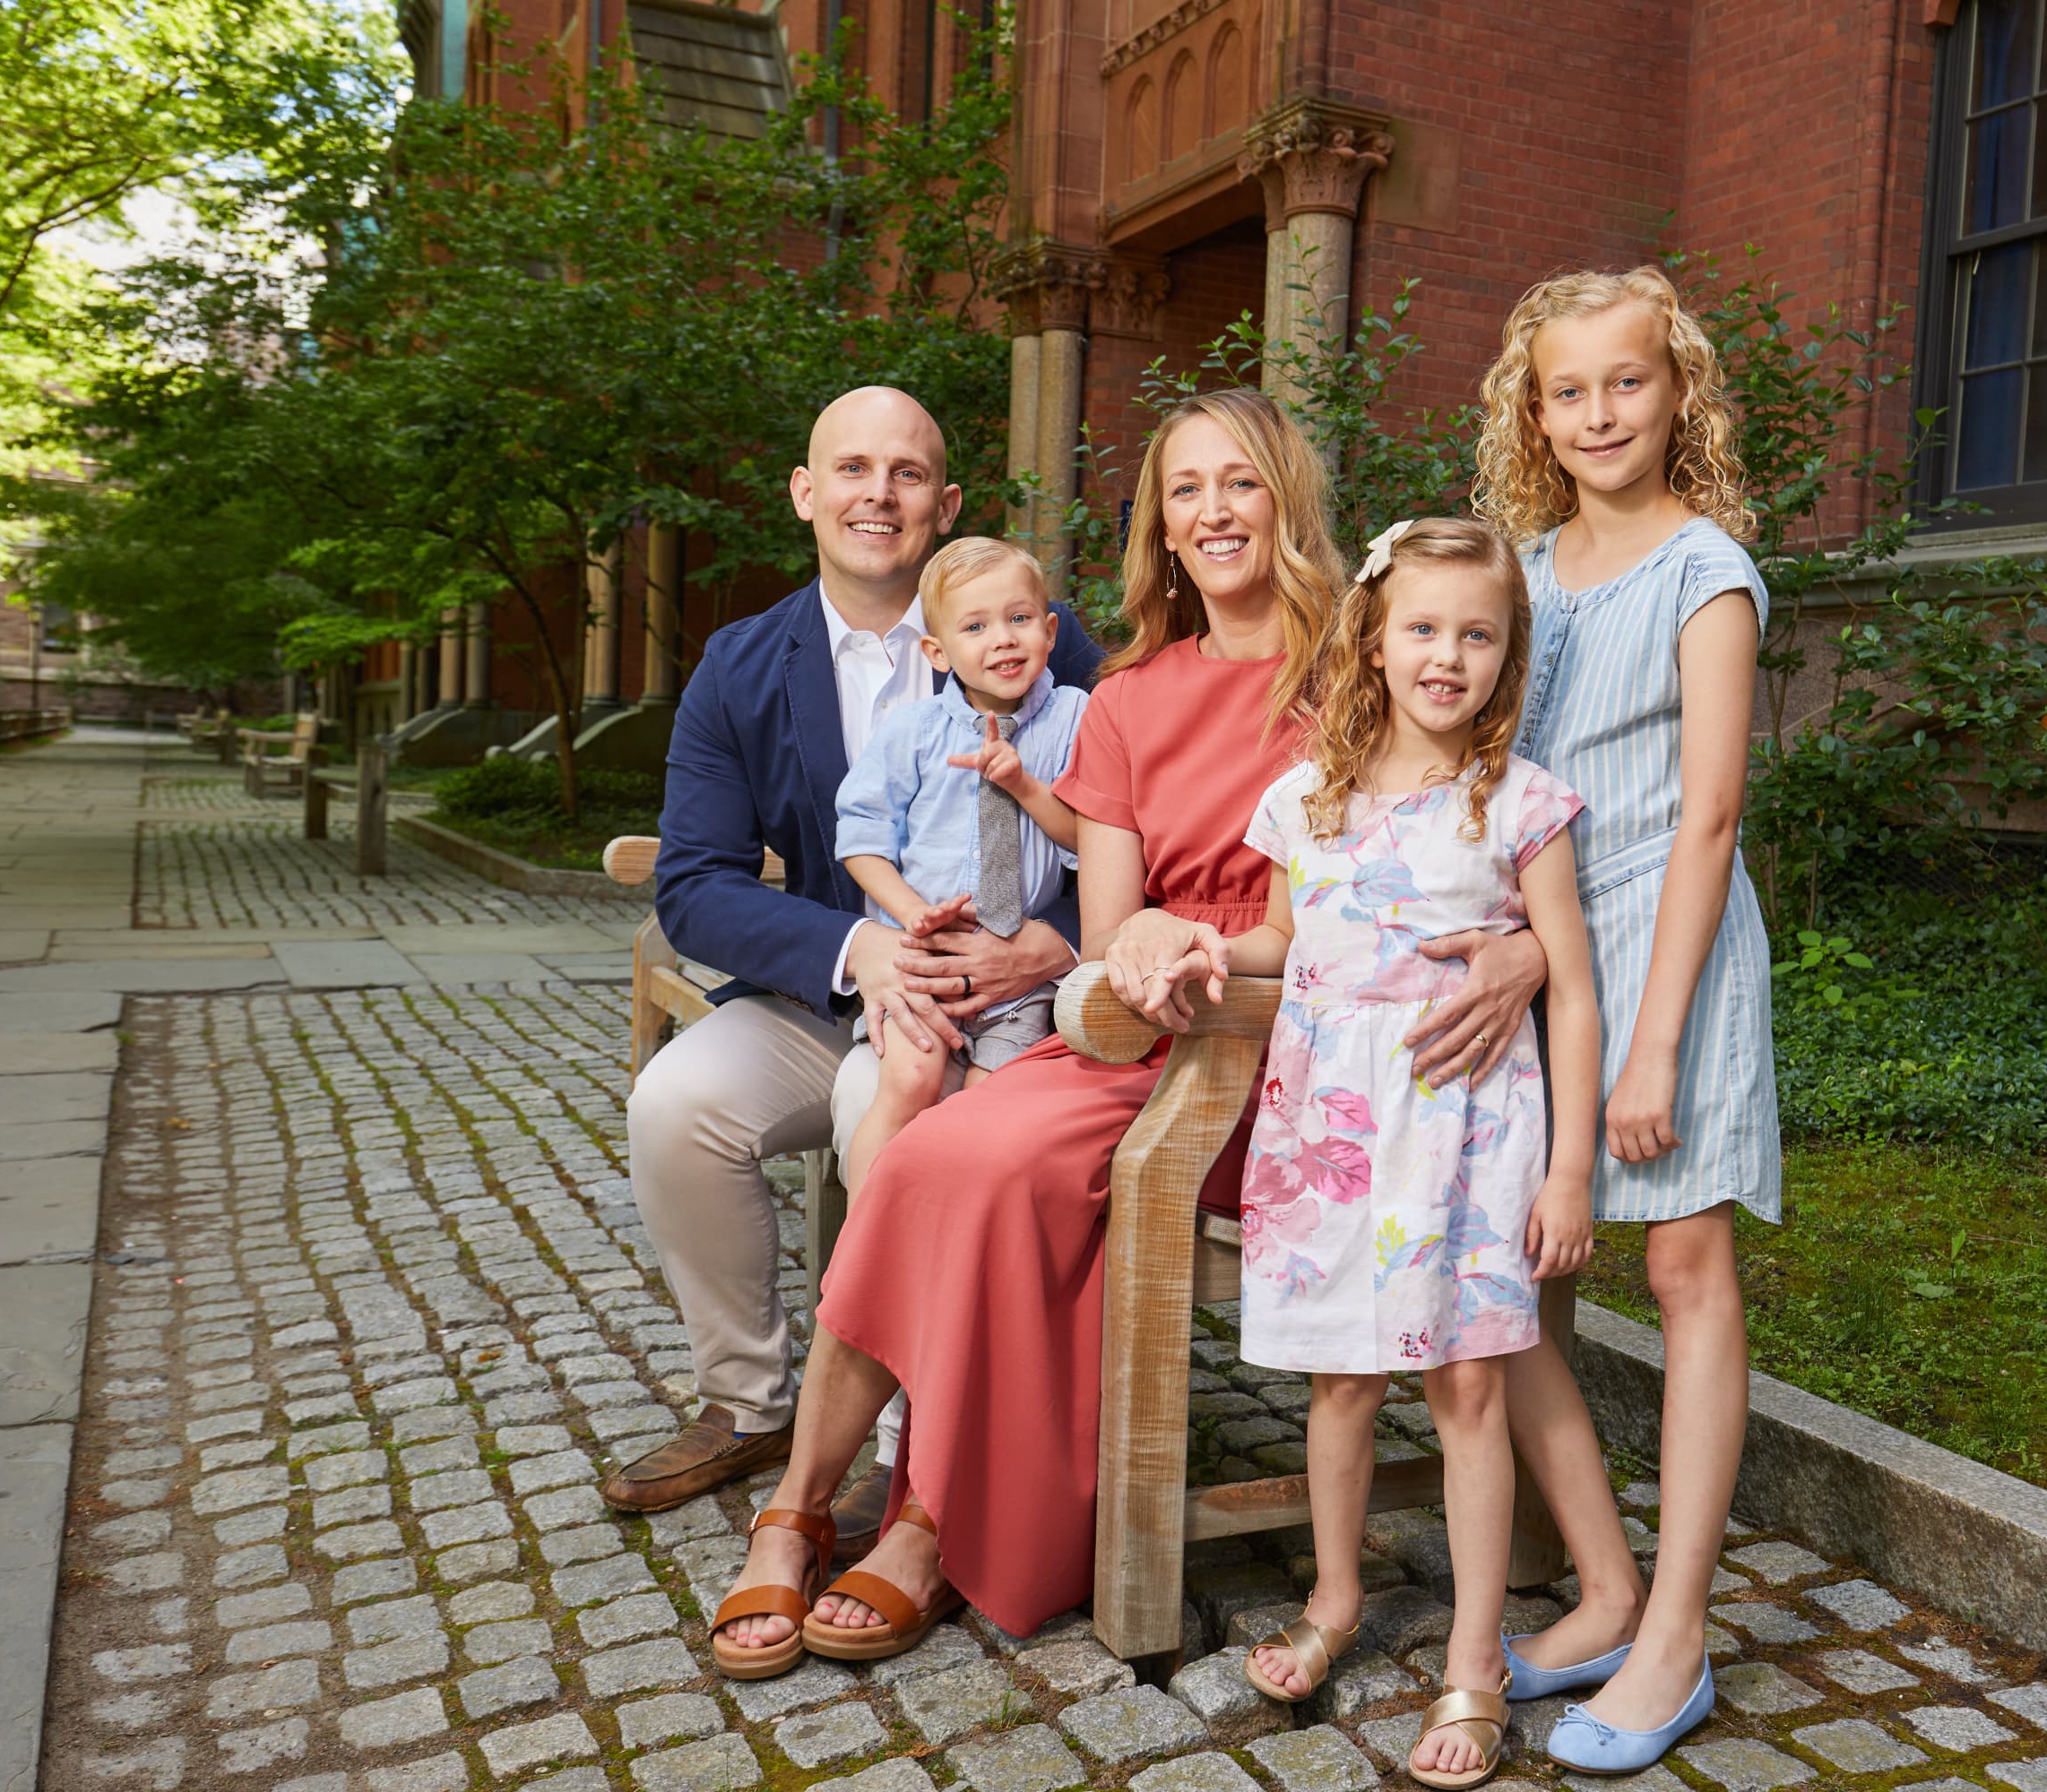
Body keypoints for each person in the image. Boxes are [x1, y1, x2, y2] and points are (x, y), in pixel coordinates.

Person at [702, 388, 1553, 1680]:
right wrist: (1142, 944)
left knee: (987, 1169)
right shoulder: (1129, 698)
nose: (1214, 511)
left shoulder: (1364, 667)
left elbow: (1433, 859)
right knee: (932, 1157)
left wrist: (1531, 944)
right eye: (1186, 489)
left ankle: (935, 1515)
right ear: (1161, 521)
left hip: (1307, 1058)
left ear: (1287, 499)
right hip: (1142, 1029)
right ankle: (804, 1505)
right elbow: (1106, 937)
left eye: (1242, 482)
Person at [608, 390, 1101, 1561]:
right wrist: (858, 949)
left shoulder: (1041, 632)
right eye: (855, 469)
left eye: (909, 473)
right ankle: (751, 1404)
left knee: (896, 1127)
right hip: (813, 990)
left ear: (947, 504)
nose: (879, 494)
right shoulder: (739, 663)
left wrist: (1060, 938)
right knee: (675, 1105)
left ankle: (914, 1454)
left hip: (984, 1002)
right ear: (806, 492)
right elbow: (698, 885)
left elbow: (1124, 825)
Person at [1173, 517, 1600, 1791]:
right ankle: (1338, 1599)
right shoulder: (1305, 795)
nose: (1448, 656)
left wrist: (1570, 1168)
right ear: (1372, 637)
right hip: (1327, 1136)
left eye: (1477, 634)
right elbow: (1281, 941)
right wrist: (1190, 944)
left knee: (1470, 1389)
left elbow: (1569, 993)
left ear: (1507, 652)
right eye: (1423, 627)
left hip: (1466, 1134)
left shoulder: (1522, 804)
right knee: (1341, 1385)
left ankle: (1474, 1656)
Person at [1469, 266, 1784, 1773]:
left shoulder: (1706, 567)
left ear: (1679, 395)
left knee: (1681, 1258)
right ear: (1535, 414)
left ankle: (1678, 1629)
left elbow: (1712, 817)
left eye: (1627, 383)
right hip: (1547, 951)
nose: (1599, 413)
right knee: (1528, 1271)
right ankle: (1602, 1584)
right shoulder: (1519, 573)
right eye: (1568, 390)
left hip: (1677, 945)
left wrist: (1654, 1041)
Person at [833, 536, 1089, 1195]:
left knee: (989, 1112)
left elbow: (1091, 839)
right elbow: (862, 836)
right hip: (925, 967)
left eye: (1019, 618)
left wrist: (1028, 786)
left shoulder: (1075, 719)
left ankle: (951, 1250)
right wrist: (909, 911)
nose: (1002, 639)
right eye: (975, 627)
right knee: (906, 1085)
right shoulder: (912, 729)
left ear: (1050, 629)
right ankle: (864, 1251)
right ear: (939, 653)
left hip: (1020, 983)